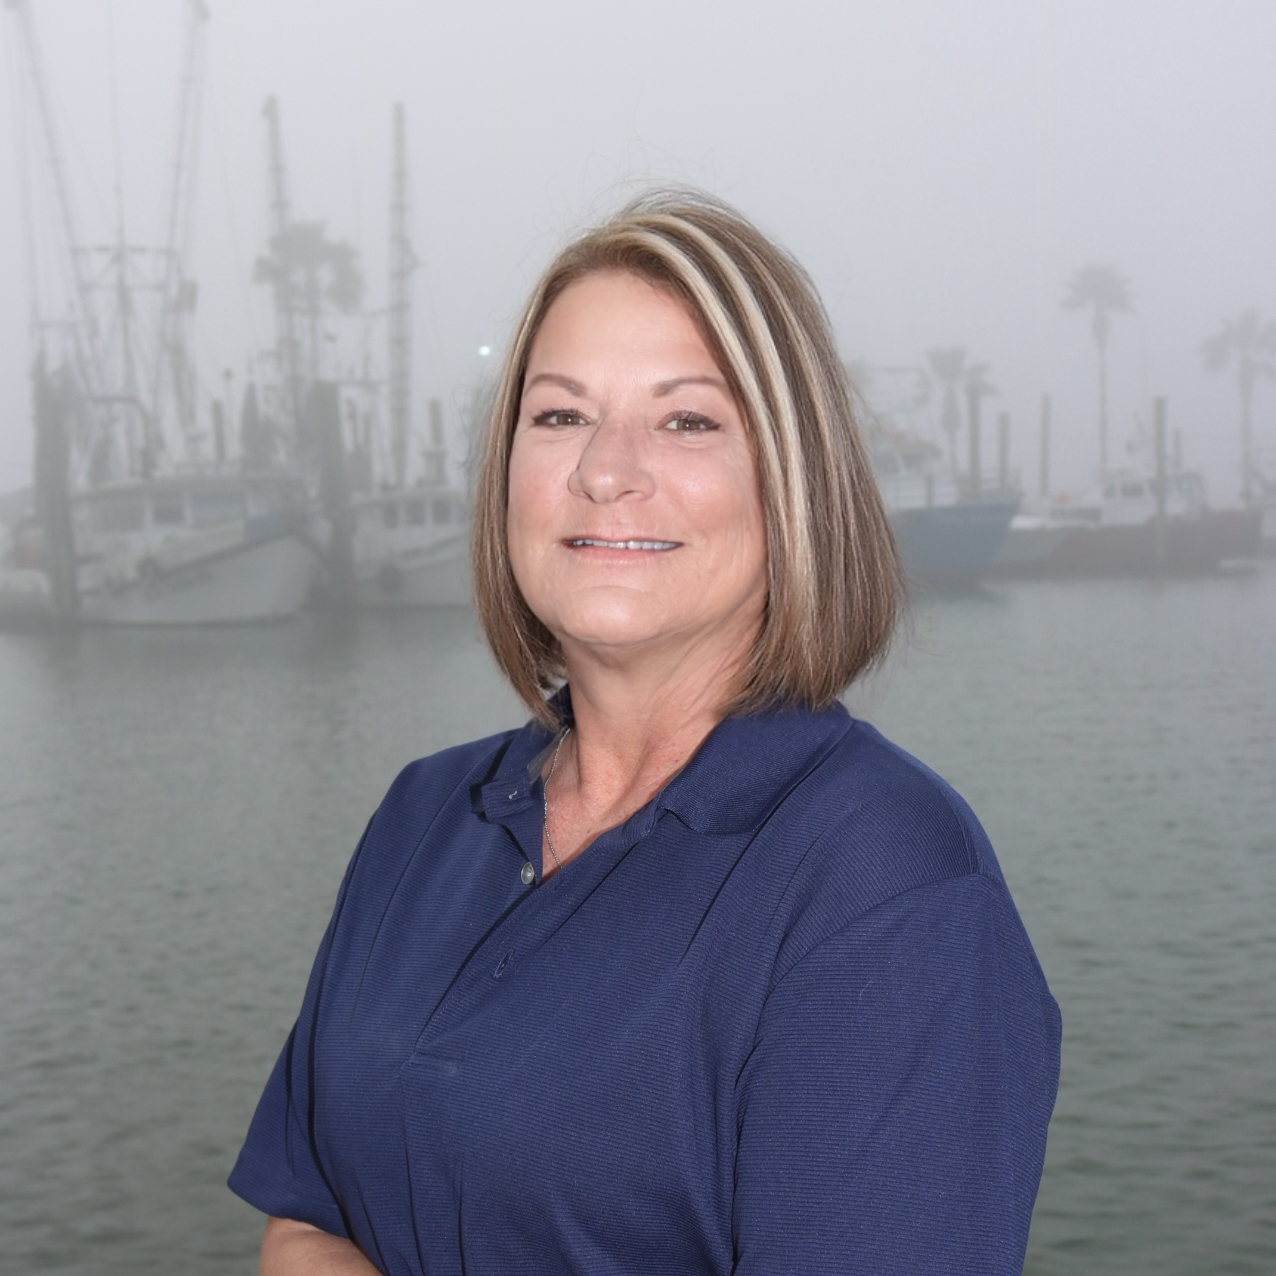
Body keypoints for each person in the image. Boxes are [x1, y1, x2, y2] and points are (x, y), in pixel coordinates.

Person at [229, 191, 1061, 1276]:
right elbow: (300, 1225)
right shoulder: (424, 816)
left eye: (687, 420)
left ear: (793, 482)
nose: (604, 469)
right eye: (559, 415)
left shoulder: (887, 881)